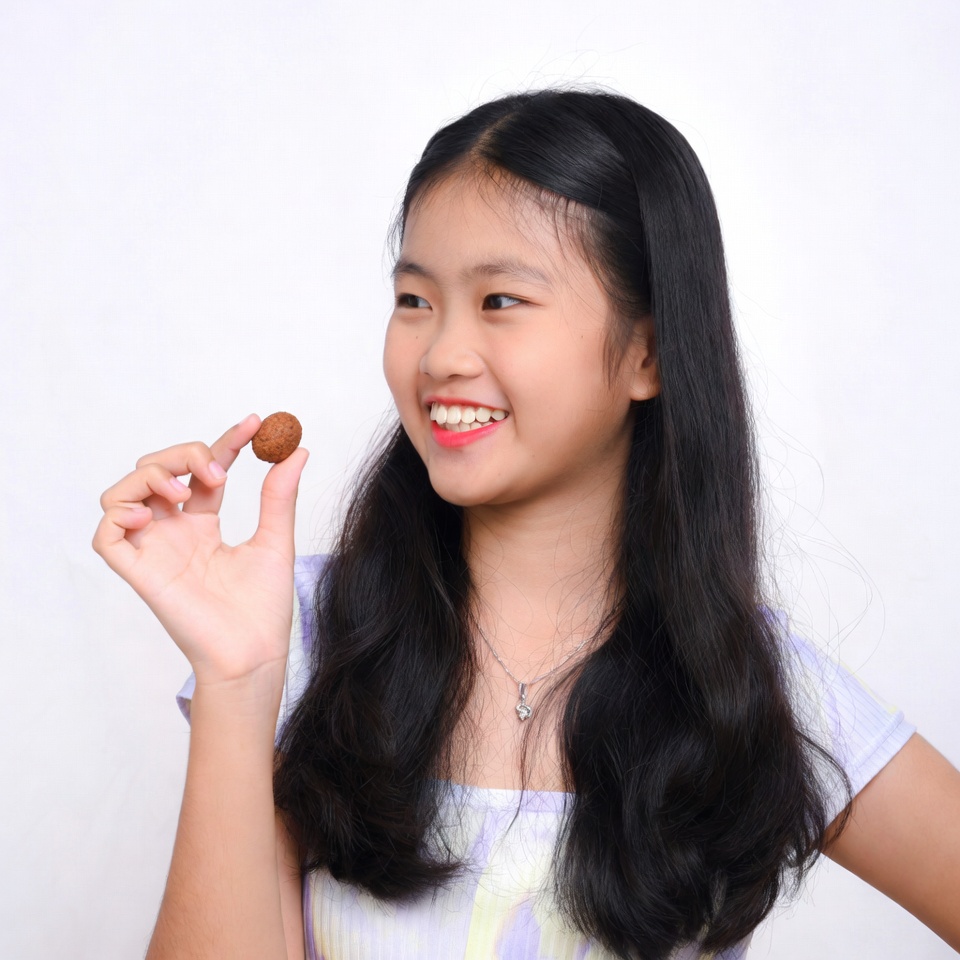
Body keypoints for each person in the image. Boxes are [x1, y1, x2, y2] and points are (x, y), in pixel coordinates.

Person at [93, 89, 960, 960]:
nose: (441, 356)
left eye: (501, 300)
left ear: (648, 353)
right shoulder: (304, 631)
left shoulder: (751, 688)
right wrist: (238, 680)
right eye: (415, 300)